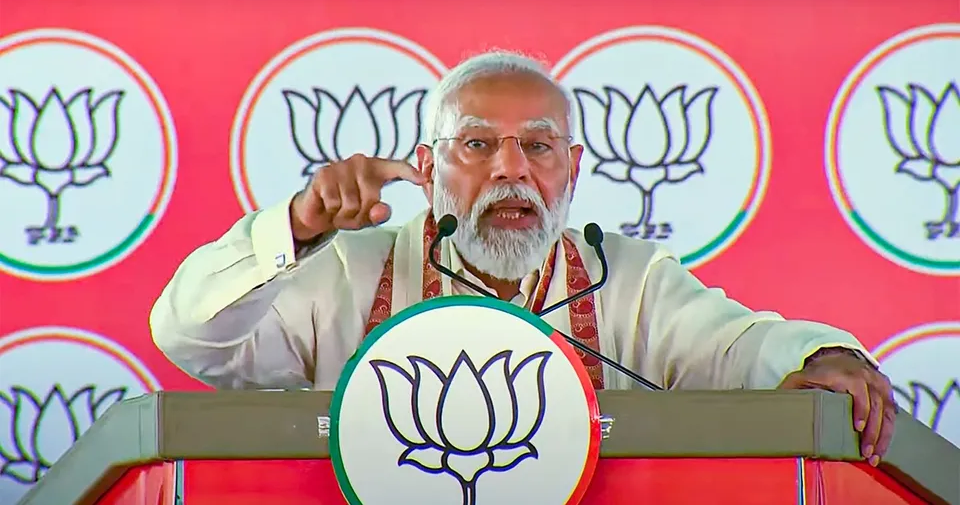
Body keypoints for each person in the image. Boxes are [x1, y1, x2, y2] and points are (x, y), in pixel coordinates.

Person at [150, 50, 897, 465]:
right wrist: (299, 225)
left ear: (570, 168)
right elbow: (187, 334)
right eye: (477, 144)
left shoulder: (625, 279)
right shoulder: (344, 270)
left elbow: (746, 347)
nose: (511, 170)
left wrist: (824, 354)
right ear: (425, 167)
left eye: (538, 146)